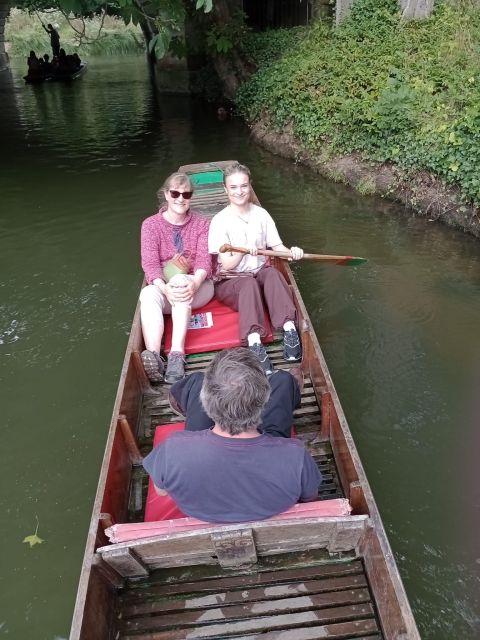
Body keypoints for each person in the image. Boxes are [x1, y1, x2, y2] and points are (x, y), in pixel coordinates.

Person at [143, 348, 321, 523]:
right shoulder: (294, 455)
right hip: (272, 476)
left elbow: (162, 491)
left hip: (199, 509)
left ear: (205, 402)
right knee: (283, 380)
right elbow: (308, 497)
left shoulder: (174, 450)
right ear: (265, 400)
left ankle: (187, 397)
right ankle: (285, 388)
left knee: (196, 380)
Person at [208, 162, 304, 375]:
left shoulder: (261, 214)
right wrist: (242, 251)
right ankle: (254, 343)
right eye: (233, 187)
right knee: (248, 283)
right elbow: (226, 264)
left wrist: (292, 253)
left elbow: (277, 247)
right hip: (230, 281)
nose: (239, 191)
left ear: (250, 185)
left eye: (243, 185)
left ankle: (289, 329)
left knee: (272, 273)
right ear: (226, 189)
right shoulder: (219, 221)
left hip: (258, 274)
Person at [140, 172, 214, 384]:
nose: (181, 198)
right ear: (166, 194)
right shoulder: (150, 225)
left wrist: (195, 283)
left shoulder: (202, 224)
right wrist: (165, 289)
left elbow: (203, 262)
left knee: (182, 281)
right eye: (175, 193)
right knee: (147, 293)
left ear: (191, 197)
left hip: (199, 287)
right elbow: (150, 266)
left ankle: (176, 355)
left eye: (186, 194)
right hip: (166, 289)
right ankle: (154, 356)